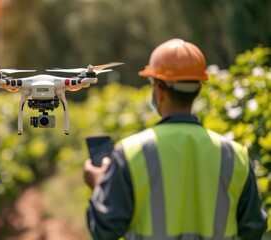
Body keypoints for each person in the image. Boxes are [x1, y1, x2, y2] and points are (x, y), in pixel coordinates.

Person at [83, 38, 268, 240]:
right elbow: (253, 230)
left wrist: (100, 186)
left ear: (158, 90)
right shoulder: (235, 156)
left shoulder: (131, 152)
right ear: (198, 89)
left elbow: (105, 229)